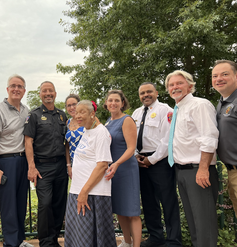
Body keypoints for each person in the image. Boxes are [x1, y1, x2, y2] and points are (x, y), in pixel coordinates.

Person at [165, 70, 219, 247]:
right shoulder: (178, 109)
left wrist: (203, 169)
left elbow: (209, 137)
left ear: (190, 85)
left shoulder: (199, 105)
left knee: (204, 224)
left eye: (179, 83)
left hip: (198, 171)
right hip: (181, 171)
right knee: (194, 222)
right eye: (171, 85)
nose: (175, 87)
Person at [132, 83, 182, 247]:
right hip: (141, 162)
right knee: (148, 202)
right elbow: (132, 138)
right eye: (142, 93)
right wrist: (136, 157)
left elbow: (167, 140)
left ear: (156, 93)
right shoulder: (136, 113)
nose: (145, 95)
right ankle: (156, 237)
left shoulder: (165, 110)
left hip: (160, 162)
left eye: (149, 92)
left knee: (168, 201)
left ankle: (174, 240)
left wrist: (151, 159)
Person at [0, 75, 32, 247]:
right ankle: (11, 243)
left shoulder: (26, 111)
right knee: (8, 207)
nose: (16, 89)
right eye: (13, 86)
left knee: (21, 204)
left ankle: (19, 240)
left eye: (20, 86)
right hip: (5, 162)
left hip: (22, 161)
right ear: (7, 89)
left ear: (24, 90)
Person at [64, 100, 116, 247]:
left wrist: (84, 191)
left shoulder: (101, 133)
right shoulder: (87, 130)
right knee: (77, 235)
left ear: (92, 113)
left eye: (82, 112)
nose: (78, 115)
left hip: (92, 193)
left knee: (89, 238)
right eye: (76, 112)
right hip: (78, 190)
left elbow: (102, 165)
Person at [24, 81, 69, 247]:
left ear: (55, 94)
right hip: (42, 167)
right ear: (40, 94)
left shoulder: (62, 115)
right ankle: (45, 242)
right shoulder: (34, 115)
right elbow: (28, 141)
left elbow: (66, 142)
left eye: (51, 91)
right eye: (44, 91)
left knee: (59, 203)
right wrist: (31, 166)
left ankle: (54, 239)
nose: (48, 93)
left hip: (60, 165)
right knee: (45, 203)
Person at [104, 90, 142, 247]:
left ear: (122, 103)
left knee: (132, 211)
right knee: (120, 209)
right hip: (113, 171)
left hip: (126, 169)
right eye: (110, 100)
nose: (113, 103)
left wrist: (117, 163)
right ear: (106, 103)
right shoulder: (108, 121)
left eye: (116, 100)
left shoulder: (127, 120)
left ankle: (136, 245)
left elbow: (131, 148)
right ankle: (126, 242)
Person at [212, 60, 237, 215]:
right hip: (231, 170)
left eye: (225, 74)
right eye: (215, 76)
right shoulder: (222, 102)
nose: (219, 78)